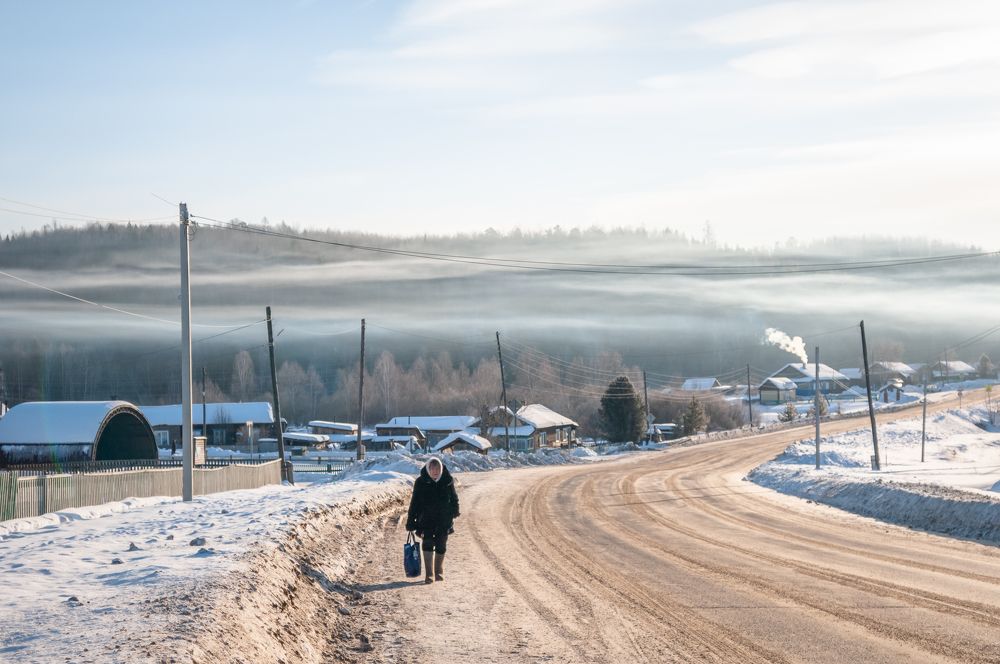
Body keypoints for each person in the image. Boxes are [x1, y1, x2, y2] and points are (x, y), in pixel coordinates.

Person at [405, 456, 460, 584]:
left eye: (437, 468)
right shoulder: (421, 482)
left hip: (443, 520)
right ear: (428, 469)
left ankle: (439, 571)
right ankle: (429, 574)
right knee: (427, 543)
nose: (435, 471)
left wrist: (454, 510)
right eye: (433, 469)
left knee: (441, 544)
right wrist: (411, 521)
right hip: (426, 520)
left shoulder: (447, 480)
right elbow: (414, 502)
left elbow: (454, 498)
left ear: (441, 469)